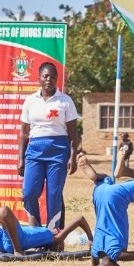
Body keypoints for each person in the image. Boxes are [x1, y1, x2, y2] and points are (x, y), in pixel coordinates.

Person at [18, 62, 80, 228]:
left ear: (57, 79)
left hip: (58, 150)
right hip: (34, 150)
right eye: (45, 76)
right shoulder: (30, 101)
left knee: (53, 195)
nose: (49, 79)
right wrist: (21, 159)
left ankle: (53, 236)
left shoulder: (65, 101)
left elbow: (73, 134)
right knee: (29, 192)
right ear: (38, 78)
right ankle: (37, 234)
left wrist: (73, 157)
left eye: (53, 77)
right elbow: (24, 133)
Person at [0, 205, 92, 255]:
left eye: (59, 230)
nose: (58, 229)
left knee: (4, 211)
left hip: (17, 241)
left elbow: (80, 219)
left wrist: (91, 238)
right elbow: (32, 218)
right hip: (2, 238)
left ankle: (18, 251)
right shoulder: (41, 231)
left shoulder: (53, 238)